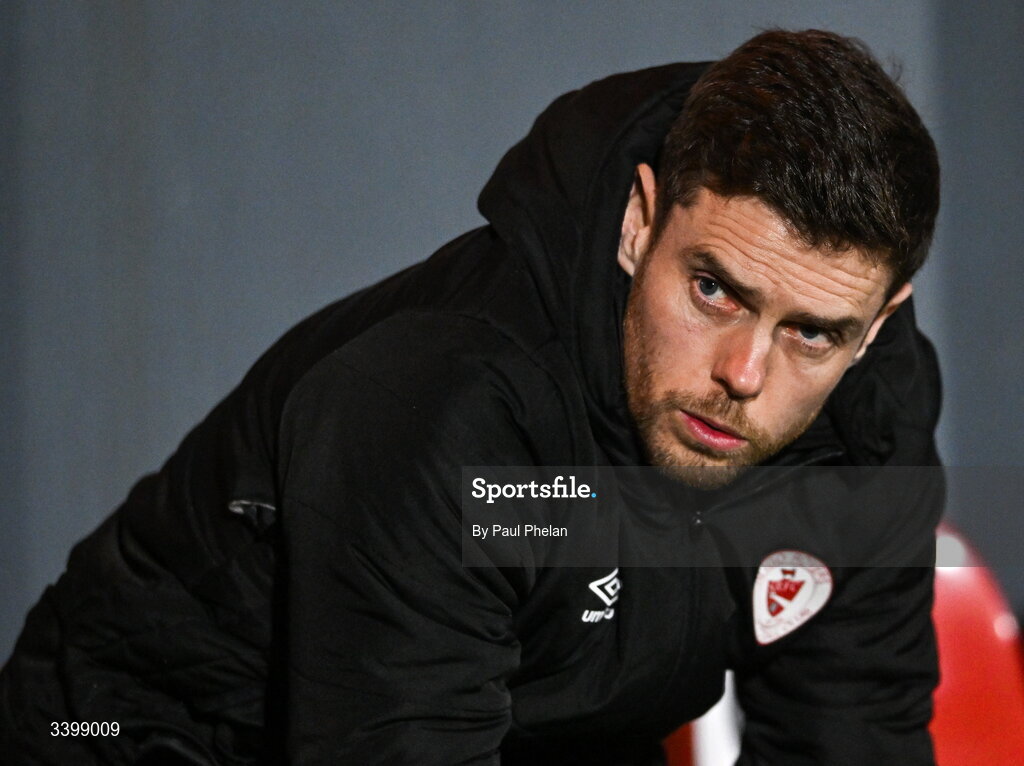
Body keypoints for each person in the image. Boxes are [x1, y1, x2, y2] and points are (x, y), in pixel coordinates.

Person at [0, 28, 943, 765]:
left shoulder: (867, 419)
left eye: (812, 332)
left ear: (877, 320)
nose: (744, 373)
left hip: (539, 731)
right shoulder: (449, 409)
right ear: (638, 222)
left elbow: (851, 736)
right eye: (713, 290)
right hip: (159, 736)